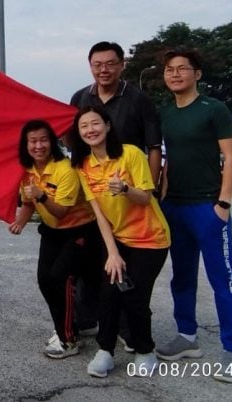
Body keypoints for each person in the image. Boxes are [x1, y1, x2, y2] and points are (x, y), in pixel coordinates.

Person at [156, 47, 232, 383]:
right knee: (181, 276)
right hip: (174, 206)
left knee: (224, 280)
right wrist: (161, 198)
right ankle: (187, 337)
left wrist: (223, 205)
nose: (175, 74)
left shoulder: (214, 109)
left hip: (207, 207)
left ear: (197, 74)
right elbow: (166, 159)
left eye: (182, 68)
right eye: (169, 69)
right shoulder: (164, 113)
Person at [70, 41, 163, 343]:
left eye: (110, 63)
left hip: (131, 197)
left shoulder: (138, 99)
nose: (104, 69)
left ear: (122, 64)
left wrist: (146, 188)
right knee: (91, 263)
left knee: (128, 271)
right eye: (98, 64)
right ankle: (86, 320)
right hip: (94, 194)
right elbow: (73, 144)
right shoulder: (79, 97)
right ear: (90, 66)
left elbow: (153, 147)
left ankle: (127, 330)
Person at [70, 105, 170, 379]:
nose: (90, 130)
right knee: (110, 291)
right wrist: (112, 254)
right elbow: (99, 214)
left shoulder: (131, 154)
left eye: (95, 124)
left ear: (107, 126)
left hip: (151, 238)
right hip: (117, 238)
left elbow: (146, 198)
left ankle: (145, 351)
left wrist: (125, 189)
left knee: (134, 294)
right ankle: (105, 351)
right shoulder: (83, 165)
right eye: (84, 126)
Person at [8, 120, 98, 359]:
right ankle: (64, 327)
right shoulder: (27, 172)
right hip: (52, 232)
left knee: (61, 279)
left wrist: (41, 194)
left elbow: (60, 212)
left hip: (78, 231)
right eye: (33, 141)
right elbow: (28, 203)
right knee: (44, 280)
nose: (38, 146)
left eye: (43, 140)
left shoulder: (66, 170)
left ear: (53, 142)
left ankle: (68, 339)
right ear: (25, 145)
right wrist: (20, 222)